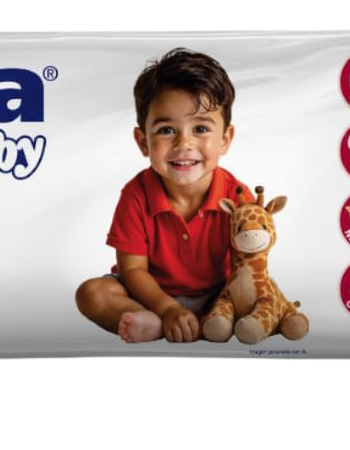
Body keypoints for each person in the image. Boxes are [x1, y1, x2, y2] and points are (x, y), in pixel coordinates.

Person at [75, 48, 252, 343]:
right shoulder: (136, 195)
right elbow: (132, 270)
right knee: (91, 293)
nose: (184, 143)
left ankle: (211, 320)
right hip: (147, 296)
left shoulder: (237, 196)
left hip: (217, 295)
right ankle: (151, 323)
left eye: (200, 128)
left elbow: (246, 265)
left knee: (253, 292)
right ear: (143, 142)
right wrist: (167, 308)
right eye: (167, 129)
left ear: (225, 139)